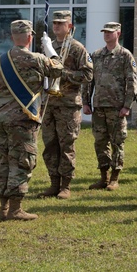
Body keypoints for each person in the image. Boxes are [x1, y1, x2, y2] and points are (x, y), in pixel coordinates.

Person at [0, 19, 63, 221]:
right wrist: (49, 48)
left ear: (12, 37)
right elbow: (58, 68)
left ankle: (3, 208)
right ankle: (15, 209)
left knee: (3, 161)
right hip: (22, 118)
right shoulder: (37, 59)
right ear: (30, 37)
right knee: (21, 161)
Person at [39, 11, 93, 200]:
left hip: (68, 104)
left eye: (61, 23)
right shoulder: (49, 46)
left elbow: (87, 75)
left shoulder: (77, 48)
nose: (56, 26)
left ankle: (66, 185)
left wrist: (64, 73)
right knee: (50, 145)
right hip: (49, 103)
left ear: (69, 26)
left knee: (66, 144)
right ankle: (54, 182)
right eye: (54, 23)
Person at [83, 21, 137, 191]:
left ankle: (115, 178)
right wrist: (86, 102)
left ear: (118, 33)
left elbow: (132, 82)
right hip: (99, 107)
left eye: (110, 32)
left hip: (117, 107)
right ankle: (103, 177)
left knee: (117, 142)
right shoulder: (96, 55)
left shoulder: (125, 55)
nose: (106, 34)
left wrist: (127, 106)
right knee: (100, 142)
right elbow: (89, 81)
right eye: (105, 32)